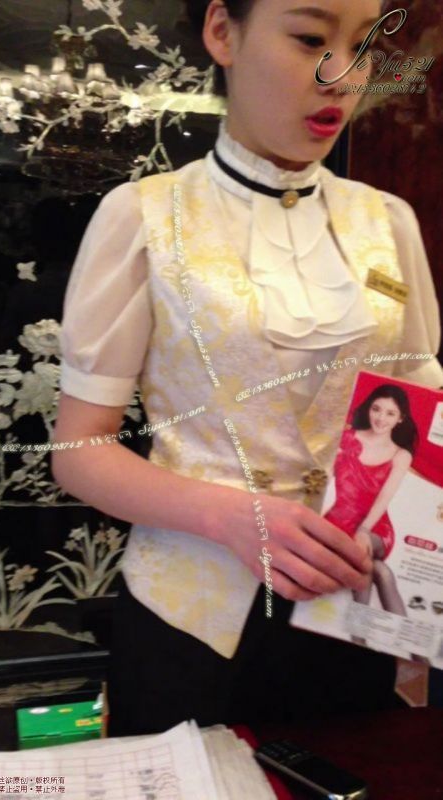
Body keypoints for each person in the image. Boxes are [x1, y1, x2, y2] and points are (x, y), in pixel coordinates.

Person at [52, 0, 443, 734]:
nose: (342, 76)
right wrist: (229, 515)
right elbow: (79, 450)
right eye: (309, 38)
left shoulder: (387, 221)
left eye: (363, 47)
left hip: (350, 613)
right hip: (187, 623)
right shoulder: (143, 217)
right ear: (221, 32)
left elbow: (420, 407)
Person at [324, 384, 417, 617]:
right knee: (381, 572)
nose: (381, 418)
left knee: (362, 553)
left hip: (375, 527)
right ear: (368, 408)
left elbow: (385, 497)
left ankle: (359, 631)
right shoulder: (345, 438)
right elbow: (322, 480)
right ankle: (405, 638)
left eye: (390, 413)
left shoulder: (401, 455)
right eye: (376, 409)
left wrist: (364, 529)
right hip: (337, 520)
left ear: (400, 418)